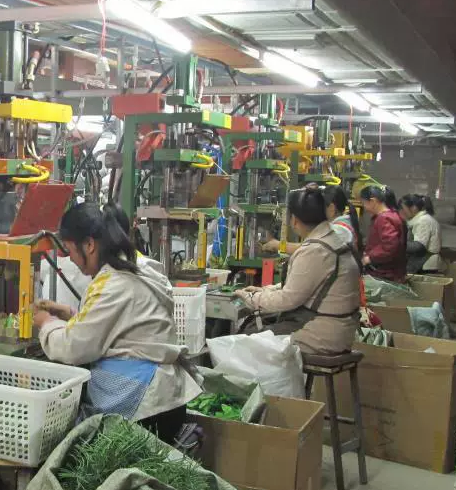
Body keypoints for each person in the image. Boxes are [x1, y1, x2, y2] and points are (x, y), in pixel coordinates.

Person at [32, 203, 201, 442]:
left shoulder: (112, 282)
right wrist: (69, 313)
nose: (71, 259)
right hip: (169, 400)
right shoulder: (138, 265)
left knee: (73, 440)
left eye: (70, 250)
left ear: (89, 245)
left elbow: (74, 348)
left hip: (146, 410)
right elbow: (120, 324)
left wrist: (46, 323)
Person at [235, 188, 362, 354]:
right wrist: (266, 290)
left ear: (294, 220)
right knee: (257, 327)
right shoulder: (332, 238)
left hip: (323, 334)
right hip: (339, 329)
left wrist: (252, 299)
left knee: (244, 341)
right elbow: (307, 285)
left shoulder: (315, 250)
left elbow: (288, 299)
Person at [261, 184, 362, 254]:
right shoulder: (342, 224)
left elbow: (310, 249)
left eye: (320, 206)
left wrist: (279, 245)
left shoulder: (340, 230)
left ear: (331, 208)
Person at [358, 185, 407, 282]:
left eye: (364, 203)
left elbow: (390, 247)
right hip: (394, 272)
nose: (364, 208)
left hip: (384, 273)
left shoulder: (384, 218)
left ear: (373, 201)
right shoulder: (393, 214)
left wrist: (370, 258)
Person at [400, 194, 444, 274]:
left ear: (414, 208)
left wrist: (397, 244)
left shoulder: (423, 221)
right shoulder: (422, 219)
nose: (402, 212)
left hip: (426, 265)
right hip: (425, 264)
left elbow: (419, 246)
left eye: (403, 208)